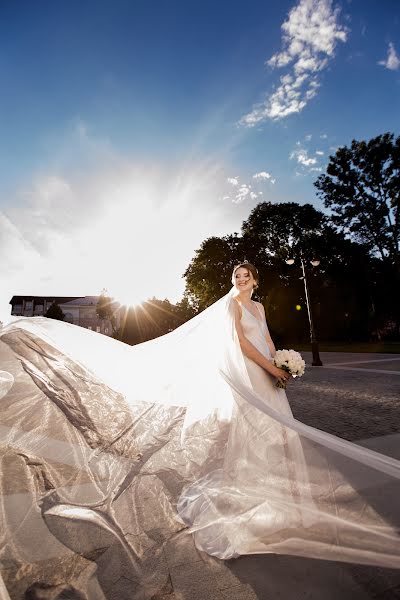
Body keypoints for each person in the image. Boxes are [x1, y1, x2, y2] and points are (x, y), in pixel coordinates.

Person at [1, 260, 400, 597]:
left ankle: (287, 498)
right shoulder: (230, 307)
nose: (240, 281)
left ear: (256, 280)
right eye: (236, 277)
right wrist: (271, 367)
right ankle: (245, 505)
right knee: (251, 437)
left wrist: (281, 361)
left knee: (280, 433)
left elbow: (265, 337)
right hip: (250, 375)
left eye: (245, 276)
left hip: (269, 375)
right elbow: (243, 347)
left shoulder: (258, 308)